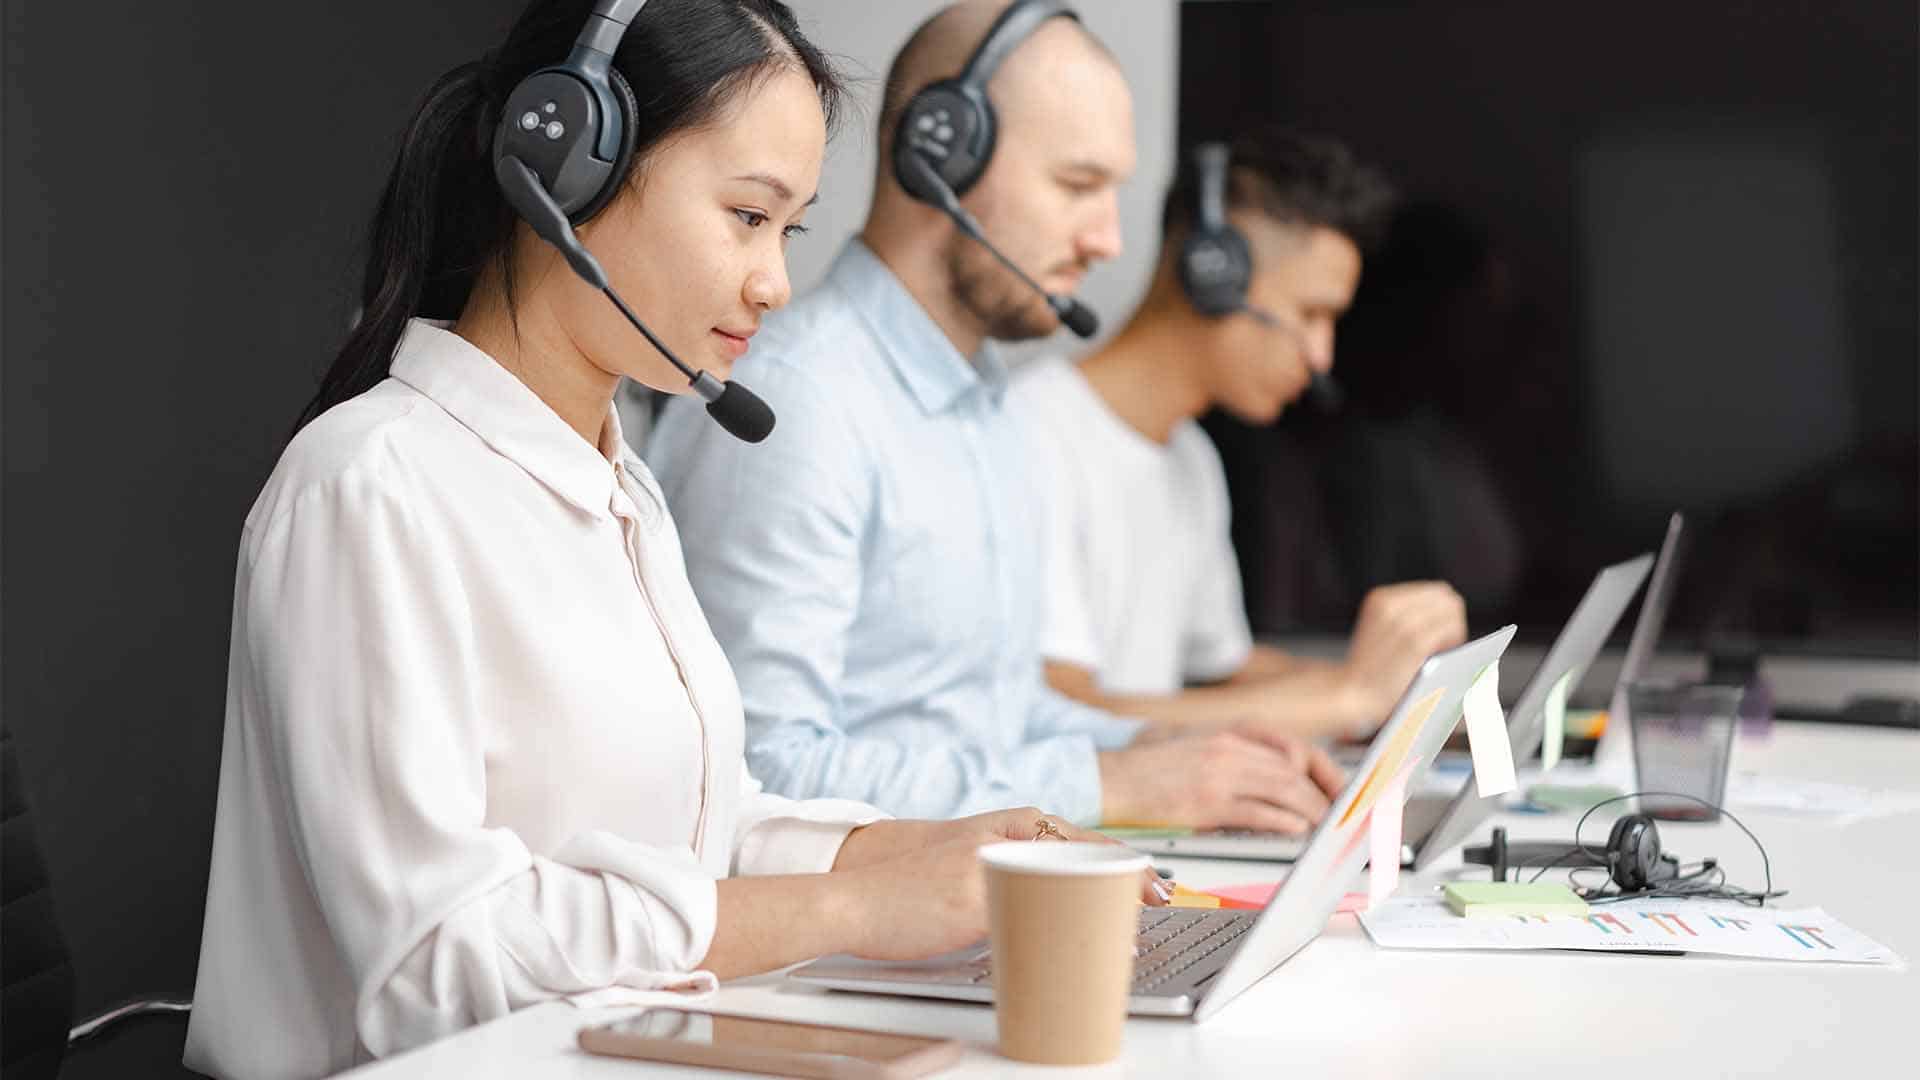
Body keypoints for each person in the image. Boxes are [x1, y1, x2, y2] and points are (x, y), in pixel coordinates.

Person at [183, 4, 1144, 1078]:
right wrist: (852, 905)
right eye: (747, 216)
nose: (775, 279)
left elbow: (698, 828)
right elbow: (435, 963)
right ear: (570, 170)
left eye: (790, 230)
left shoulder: (621, 483)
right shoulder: (370, 485)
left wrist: (913, 850)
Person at [646, 0, 1345, 835]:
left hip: (971, 913)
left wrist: (1174, 750)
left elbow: (998, 717)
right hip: (833, 951)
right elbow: (759, 770)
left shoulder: (988, 408)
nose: (1109, 240)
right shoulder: (803, 403)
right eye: (1078, 186)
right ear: (942, 150)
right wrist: (1113, 788)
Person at [1006, 131, 1469, 741]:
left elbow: (1224, 673)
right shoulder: (1030, 431)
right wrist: (1347, 698)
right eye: (1311, 313)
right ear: (1212, 273)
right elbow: (1062, 717)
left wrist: (1399, 684)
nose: (1321, 357)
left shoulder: (1191, 459)